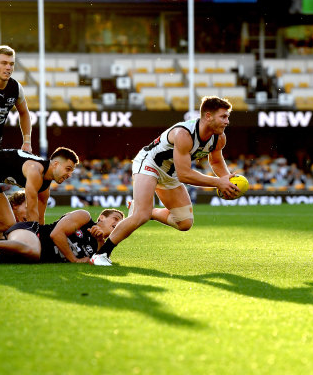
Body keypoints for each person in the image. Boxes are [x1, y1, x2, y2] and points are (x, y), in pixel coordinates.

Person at [95, 96, 240, 261]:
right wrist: (218, 183)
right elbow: (185, 174)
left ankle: (150, 211)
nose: (227, 121)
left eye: (227, 117)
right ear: (208, 116)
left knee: (184, 223)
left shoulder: (219, 137)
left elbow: (215, 161)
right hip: (149, 164)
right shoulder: (184, 134)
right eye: (223, 117)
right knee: (140, 215)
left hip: (170, 172)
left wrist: (226, 181)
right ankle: (101, 254)